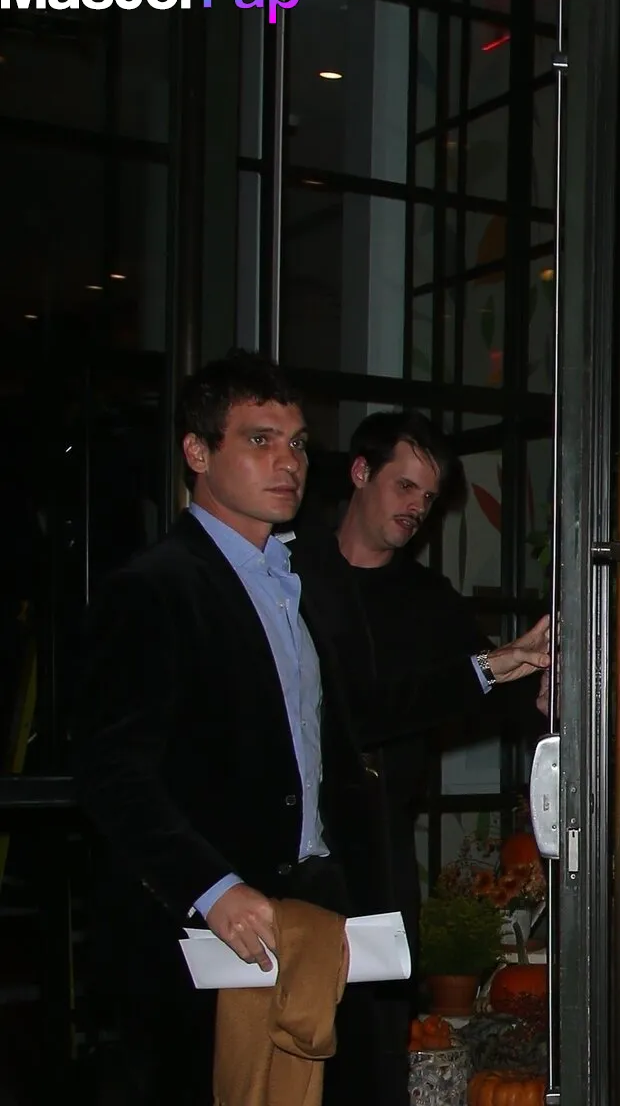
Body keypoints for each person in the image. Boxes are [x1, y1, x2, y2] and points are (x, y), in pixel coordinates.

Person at [74, 351, 385, 1105]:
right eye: (259, 439)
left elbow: (345, 725)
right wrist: (211, 888)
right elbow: (113, 771)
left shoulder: (296, 583)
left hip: (312, 913)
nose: (289, 462)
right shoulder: (153, 588)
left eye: (298, 443)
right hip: (204, 935)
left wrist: (489, 669)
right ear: (197, 451)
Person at [288, 410, 551, 1100]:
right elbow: (355, 709)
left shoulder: (429, 601)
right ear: (360, 472)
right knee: (289, 1045)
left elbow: (499, 694)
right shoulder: (291, 575)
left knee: (378, 1043)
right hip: (292, 855)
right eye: (404, 486)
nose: (416, 507)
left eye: (428, 497)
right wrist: (491, 668)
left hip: (380, 851)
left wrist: (550, 693)